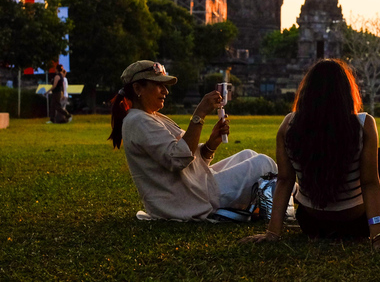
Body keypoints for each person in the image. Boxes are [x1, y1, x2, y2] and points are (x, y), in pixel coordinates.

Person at [241, 59, 380, 251]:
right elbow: (369, 183)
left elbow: (285, 180)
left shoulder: (289, 124)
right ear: (346, 92)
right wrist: (378, 238)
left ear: (307, 91)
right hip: (358, 224)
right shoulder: (363, 124)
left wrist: (273, 233)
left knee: (377, 157)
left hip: (312, 224)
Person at [109, 60, 276, 221]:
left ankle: (286, 198)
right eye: (159, 86)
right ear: (138, 88)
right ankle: (291, 201)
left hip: (195, 187)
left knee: (249, 154)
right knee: (263, 163)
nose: (165, 92)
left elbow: (185, 158)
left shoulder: (149, 117)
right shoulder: (138, 121)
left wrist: (211, 144)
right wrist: (199, 114)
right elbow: (178, 159)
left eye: (165, 86)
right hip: (191, 198)